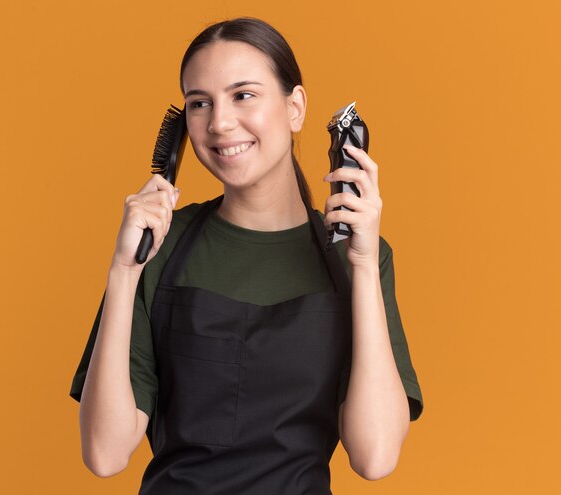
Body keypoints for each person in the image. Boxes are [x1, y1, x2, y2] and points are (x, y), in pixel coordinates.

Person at [69, 16, 424, 494]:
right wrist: (122, 271)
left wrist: (360, 267)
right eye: (200, 103)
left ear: (295, 107)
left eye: (244, 95)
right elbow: (105, 453)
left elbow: (375, 455)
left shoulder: (359, 259)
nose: (219, 123)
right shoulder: (160, 246)